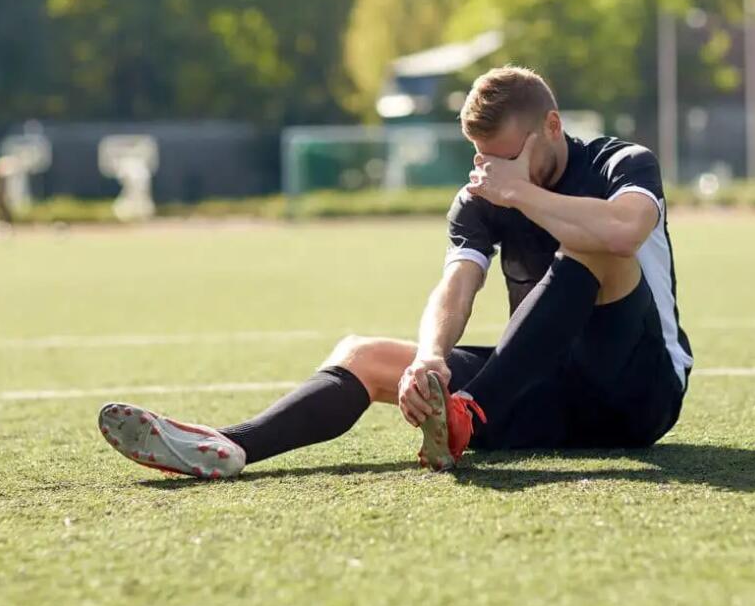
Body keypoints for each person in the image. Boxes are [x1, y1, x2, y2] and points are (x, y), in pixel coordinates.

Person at [98, 66, 694, 479]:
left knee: (594, 247)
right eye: (482, 158)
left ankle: (468, 412)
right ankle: (230, 445)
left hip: (636, 395)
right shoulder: (481, 193)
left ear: (554, 127)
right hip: (541, 392)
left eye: (508, 157)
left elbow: (624, 231)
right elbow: (457, 287)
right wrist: (431, 358)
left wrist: (522, 195)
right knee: (364, 352)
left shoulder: (621, 161)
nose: (492, 172)